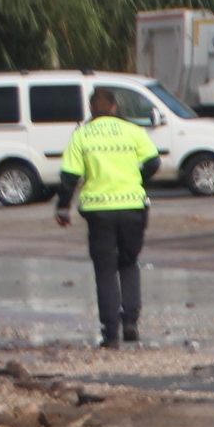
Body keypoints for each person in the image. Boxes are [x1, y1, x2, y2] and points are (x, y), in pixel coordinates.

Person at [54, 88, 160, 348]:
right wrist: (136, 181)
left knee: (105, 270)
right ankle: (131, 323)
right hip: (133, 206)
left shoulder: (81, 135)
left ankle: (110, 333)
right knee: (129, 263)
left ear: (92, 109)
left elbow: (69, 176)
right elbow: (153, 162)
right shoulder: (133, 131)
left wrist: (63, 207)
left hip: (98, 211)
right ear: (114, 107)